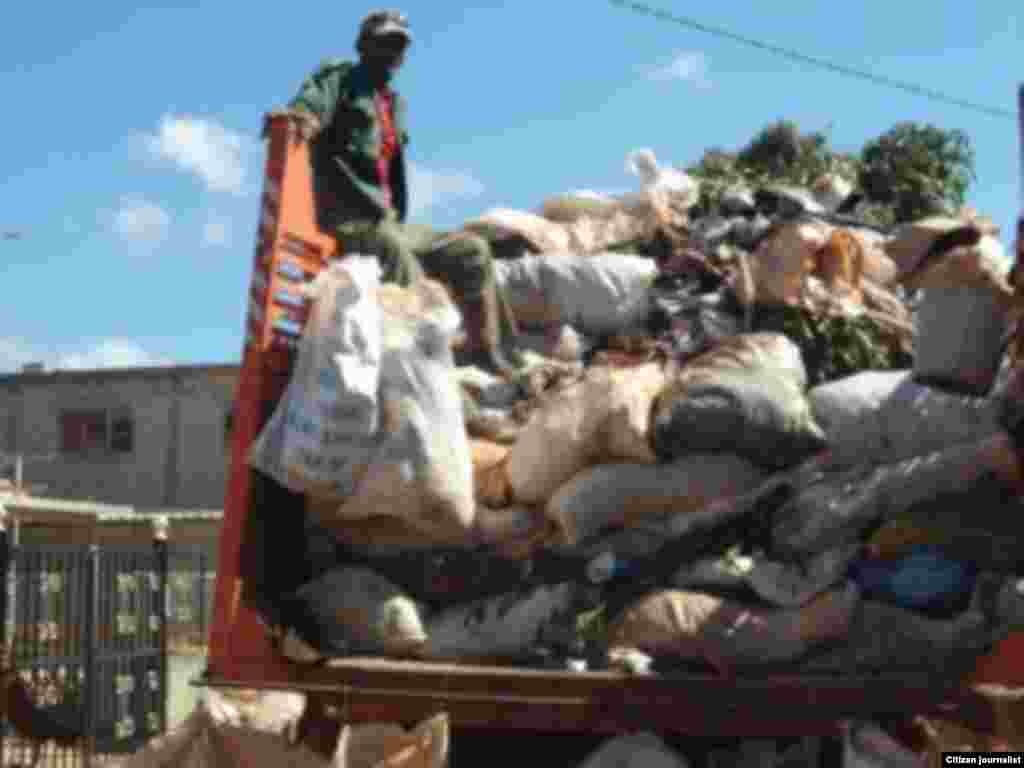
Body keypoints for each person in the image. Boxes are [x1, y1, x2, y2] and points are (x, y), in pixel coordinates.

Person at [280, 10, 524, 376]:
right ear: (364, 45)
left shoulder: (394, 105)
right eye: (386, 42)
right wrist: (300, 118)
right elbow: (309, 107)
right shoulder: (341, 80)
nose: (395, 52)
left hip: (388, 220)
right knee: (402, 263)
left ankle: (492, 356)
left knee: (473, 250)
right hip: (347, 221)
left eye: (400, 45)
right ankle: (429, 374)